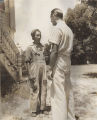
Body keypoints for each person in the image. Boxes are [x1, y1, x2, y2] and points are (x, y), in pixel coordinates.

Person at [45, 8, 76, 120]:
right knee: (68, 91)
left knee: (58, 93)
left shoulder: (57, 28)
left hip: (59, 60)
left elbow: (54, 51)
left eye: (50, 16)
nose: (50, 19)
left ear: (54, 15)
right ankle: (70, 117)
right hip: (67, 60)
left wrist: (50, 68)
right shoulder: (68, 29)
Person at [25, 29, 47, 117]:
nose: (39, 37)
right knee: (35, 87)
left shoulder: (43, 47)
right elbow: (26, 62)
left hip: (43, 68)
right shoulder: (29, 48)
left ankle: (43, 108)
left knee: (44, 87)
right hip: (34, 68)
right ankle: (33, 110)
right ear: (33, 37)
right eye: (37, 35)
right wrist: (30, 74)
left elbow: (46, 59)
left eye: (40, 35)